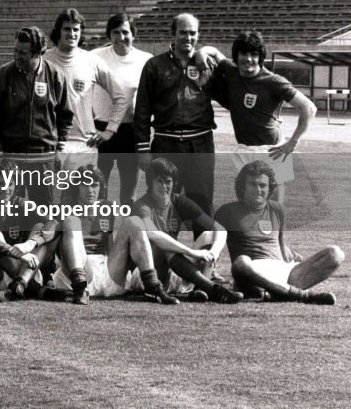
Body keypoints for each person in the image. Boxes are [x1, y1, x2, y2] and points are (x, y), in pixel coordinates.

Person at [207, 31, 317, 202]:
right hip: (244, 149)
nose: (248, 59)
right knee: (246, 205)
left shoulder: (273, 81)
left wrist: (293, 143)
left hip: (272, 152)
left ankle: (278, 230)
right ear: (236, 55)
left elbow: (309, 108)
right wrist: (200, 53)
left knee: (274, 207)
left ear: (260, 57)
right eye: (244, 53)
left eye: (254, 54)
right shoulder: (231, 70)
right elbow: (213, 51)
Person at [215, 160, 343, 304]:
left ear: (270, 188)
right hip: (252, 274)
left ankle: (278, 294)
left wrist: (293, 258)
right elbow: (213, 240)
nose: (258, 190)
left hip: (283, 271)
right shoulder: (227, 211)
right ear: (242, 187)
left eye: (262, 185)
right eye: (252, 184)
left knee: (335, 253)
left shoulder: (277, 209)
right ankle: (303, 296)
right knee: (240, 263)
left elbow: (280, 244)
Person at [53, 166, 179, 305]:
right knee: (72, 220)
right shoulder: (64, 209)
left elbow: (109, 244)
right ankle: (80, 288)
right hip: (79, 270)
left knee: (134, 221)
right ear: (77, 187)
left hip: (107, 271)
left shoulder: (106, 207)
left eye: (94, 185)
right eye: (85, 185)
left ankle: (153, 287)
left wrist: (124, 264)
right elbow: (54, 245)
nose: (90, 190)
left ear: (101, 187)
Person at [134, 13, 216, 215]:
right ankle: (163, 248)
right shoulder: (154, 65)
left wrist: (206, 51)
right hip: (166, 144)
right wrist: (143, 150)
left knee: (202, 205)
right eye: (183, 33)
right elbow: (142, 110)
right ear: (173, 34)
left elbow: (233, 89)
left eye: (192, 33)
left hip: (200, 145)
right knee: (163, 206)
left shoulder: (207, 65)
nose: (188, 38)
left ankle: (204, 247)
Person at [132, 158, 242, 303]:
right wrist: (192, 252)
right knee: (165, 243)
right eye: (159, 181)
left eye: (168, 182)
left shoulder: (179, 201)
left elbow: (219, 228)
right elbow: (153, 234)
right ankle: (213, 289)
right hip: (146, 276)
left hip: (172, 272)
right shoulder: (142, 205)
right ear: (150, 183)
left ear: (174, 183)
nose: (164, 186)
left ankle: (200, 290)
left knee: (209, 235)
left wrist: (214, 253)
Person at [0, 26, 72, 209]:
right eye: (15, 51)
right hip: (10, 158)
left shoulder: (56, 75)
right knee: (9, 212)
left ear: (38, 53)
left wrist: (61, 147)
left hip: (43, 158)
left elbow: (65, 115)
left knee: (42, 211)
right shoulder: (2, 75)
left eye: (23, 53)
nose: (17, 56)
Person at [44, 8, 127, 172]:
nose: (72, 34)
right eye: (67, 29)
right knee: (53, 197)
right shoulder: (44, 60)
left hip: (85, 144)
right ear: (58, 31)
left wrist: (109, 130)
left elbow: (120, 97)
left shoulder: (91, 61)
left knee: (83, 196)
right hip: (51, 143)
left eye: (76, 29)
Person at [0, 164, 62, 302]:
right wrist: (17, 254)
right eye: (0, 183)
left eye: (10, 183)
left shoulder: (21, 204)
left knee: (41, 227)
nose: (6, 189)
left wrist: (31, 243)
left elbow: (54, 223)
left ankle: (20, 284)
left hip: (28, 266)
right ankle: (31, 287)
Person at [91, 13, 152, 205]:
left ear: (133, 34)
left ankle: (127, 234)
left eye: (125, 32)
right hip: (101, 129)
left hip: (130, 132)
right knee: (97, 192)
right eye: (115, 32)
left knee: (128, 196)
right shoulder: (94, 57)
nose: (121, 37)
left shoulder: (145, 60)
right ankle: (100, 235)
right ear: (109, 35)